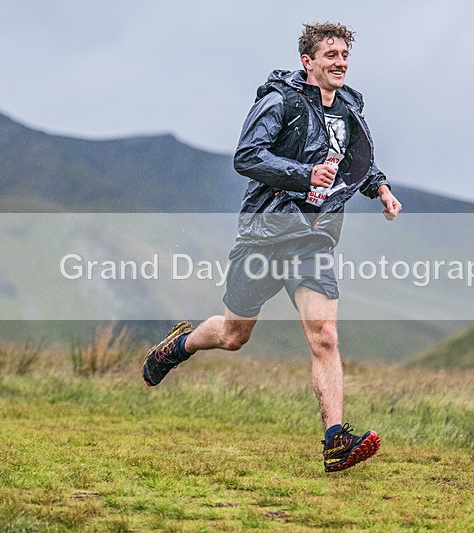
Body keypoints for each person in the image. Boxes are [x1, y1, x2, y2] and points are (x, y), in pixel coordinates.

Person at [142, 22, 402, 473]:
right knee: (233, 335)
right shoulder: (280, 100)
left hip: (313, 238)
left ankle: (335, 442)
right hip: (264, 234)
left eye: (345, 55)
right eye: (331, 55)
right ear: (308, 61)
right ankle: (180, 345)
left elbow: (358, 160)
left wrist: (380, 187)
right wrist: (304, 175)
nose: (340, 62)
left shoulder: (349, 107)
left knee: (325, 335)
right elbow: (247, 156)